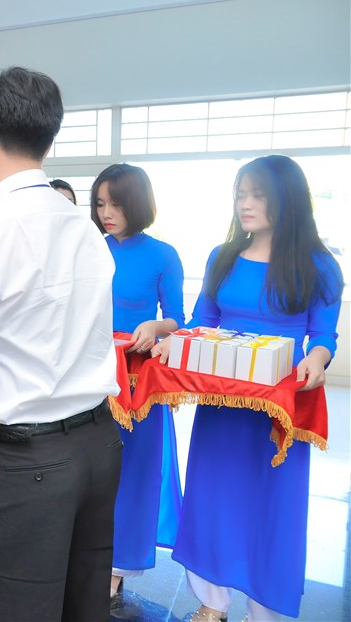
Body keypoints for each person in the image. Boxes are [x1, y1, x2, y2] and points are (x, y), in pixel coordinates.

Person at [0, 67, 122, 622]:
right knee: (83, 605)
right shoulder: (86, 229)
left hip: (26, 464)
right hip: (99, 446)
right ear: (47, 141)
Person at [152, 155, 343, 622]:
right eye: (241, 194)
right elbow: (202, 321)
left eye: (258, 195)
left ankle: (264, 611)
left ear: (287, 199)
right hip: (223, 406)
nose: (246, 204)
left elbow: (323, 334)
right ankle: (211, 602)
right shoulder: (223, 257)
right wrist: (175, 342)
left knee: (271, 506)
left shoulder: (318, 265)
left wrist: (317, 358)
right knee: (213, 499)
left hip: (278, 410)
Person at [89, 164, 184, 609]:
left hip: (138, 383)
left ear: (138, 203)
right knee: (92, 471)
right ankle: (87, 555)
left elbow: (178, 319)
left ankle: (118, 566)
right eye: (100, 204)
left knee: (134, 472)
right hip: (90, 376)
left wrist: (155, 326)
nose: (106, 213)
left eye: (117, 204)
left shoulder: (163, 255)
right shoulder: (91, 248)